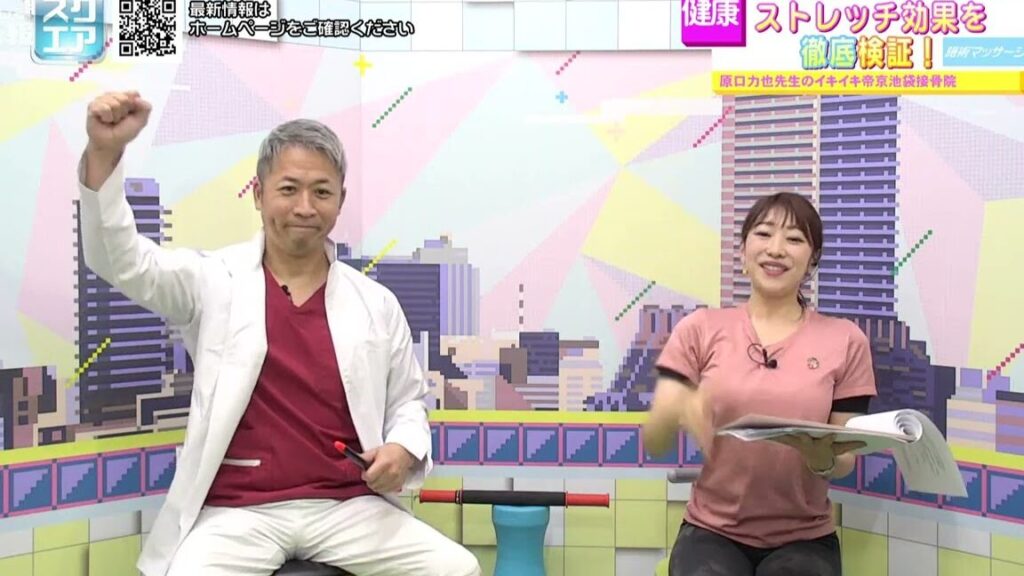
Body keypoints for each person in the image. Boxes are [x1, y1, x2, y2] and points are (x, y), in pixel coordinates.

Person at [78, 90, 481, 576]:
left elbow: (407, 402)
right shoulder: (213, 281)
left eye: (322, 192)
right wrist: (104, 153)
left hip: (347, 505)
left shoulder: (375, 303)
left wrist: (402, 449)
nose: (304, 207)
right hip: (238, 511)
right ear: (258, 194)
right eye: (289, 189)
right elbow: (122, 262)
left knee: (457, 569)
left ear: (340, 201)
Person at [642, 192, 877, 576]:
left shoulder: (846, 340)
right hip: (711, 531)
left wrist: (822, 459)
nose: (776, 249)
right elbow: (654, 440)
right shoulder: (700, 329)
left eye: (794, 239)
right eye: (764, 234)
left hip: (806, 538)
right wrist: (674, 409)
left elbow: (846, 459)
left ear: (813, 259)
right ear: (743, 251)